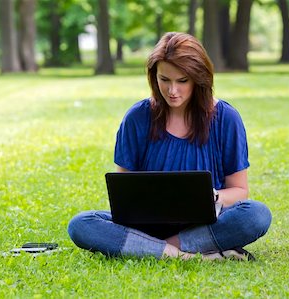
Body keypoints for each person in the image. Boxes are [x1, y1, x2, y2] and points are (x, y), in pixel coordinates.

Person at [68, 32, 271, 261]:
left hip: (204, 224)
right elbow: (123, 193)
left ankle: (153, 250)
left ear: (198, 78)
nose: (172, 91)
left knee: (257, 215)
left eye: (182, 81)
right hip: (146, 226)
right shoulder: (137, 117)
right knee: (81, 225)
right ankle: (190, 256)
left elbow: (240, 191)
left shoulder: (226, 118)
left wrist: (212, 197)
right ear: (154, 77)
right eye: (164, 80)